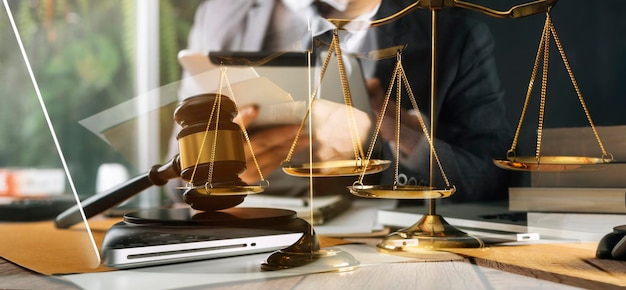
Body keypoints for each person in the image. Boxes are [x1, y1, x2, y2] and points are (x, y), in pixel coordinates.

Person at [167, 0, 512, 204]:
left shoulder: (455, 36)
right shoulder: (221, 12)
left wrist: (400, 136)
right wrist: (213, 171)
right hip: (261, 232)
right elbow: (175, 179)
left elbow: (491, 184)